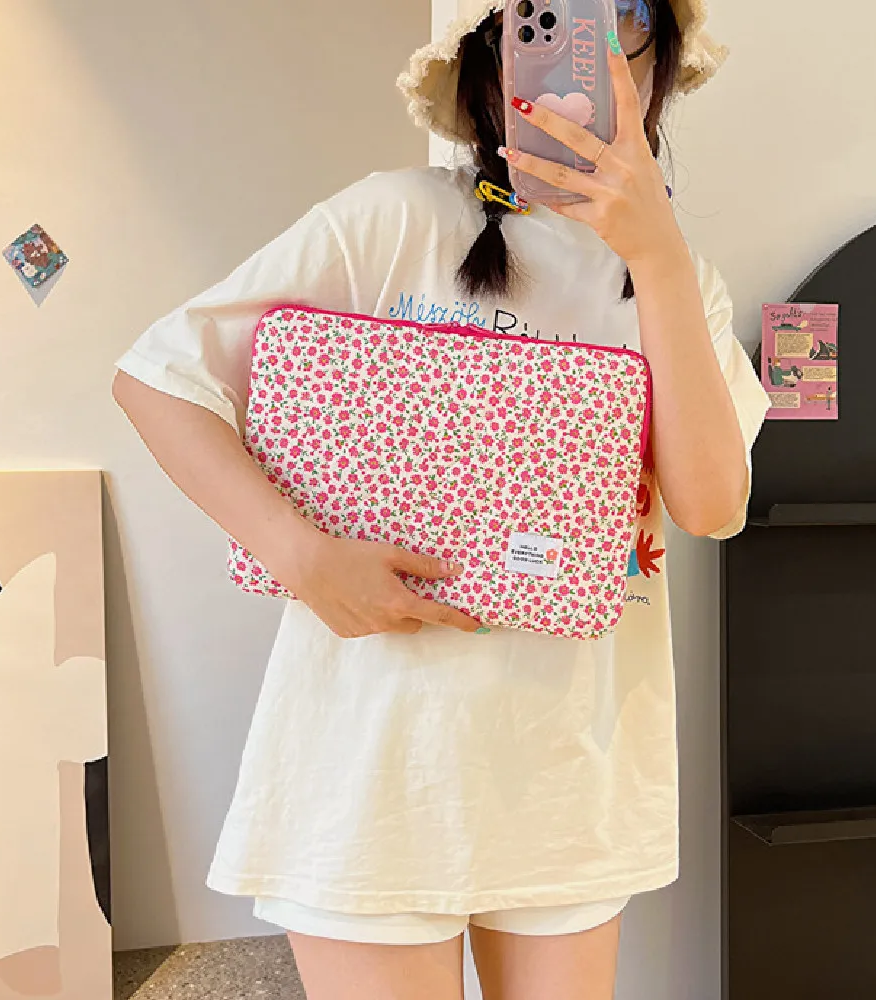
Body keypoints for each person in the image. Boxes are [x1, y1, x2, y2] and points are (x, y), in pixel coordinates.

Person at [112, 1, 770, 997]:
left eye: (626, 15)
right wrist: (300, 555)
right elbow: (160, 377)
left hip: (568, 775)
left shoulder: (679, 282)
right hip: (369, 767)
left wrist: (659, 254)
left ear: (658, 67)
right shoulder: (392, 218)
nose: (588, 47)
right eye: (541, 18)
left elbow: (711, 504)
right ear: (488, 61)